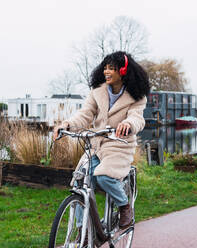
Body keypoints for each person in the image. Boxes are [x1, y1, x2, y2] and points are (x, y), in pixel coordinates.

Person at [53, 51, 150, 229]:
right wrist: (67, 125)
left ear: (123, 71)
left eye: (111, 68)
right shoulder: (97, 92)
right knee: (79, 181)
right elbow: (85, 115)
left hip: (119, 144)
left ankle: (124, 206)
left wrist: (128, 124)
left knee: (104, 177)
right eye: (105, 68)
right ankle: (84, 229)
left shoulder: (137, 95)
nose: (107, 72)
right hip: (96, 144)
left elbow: (138, 118)